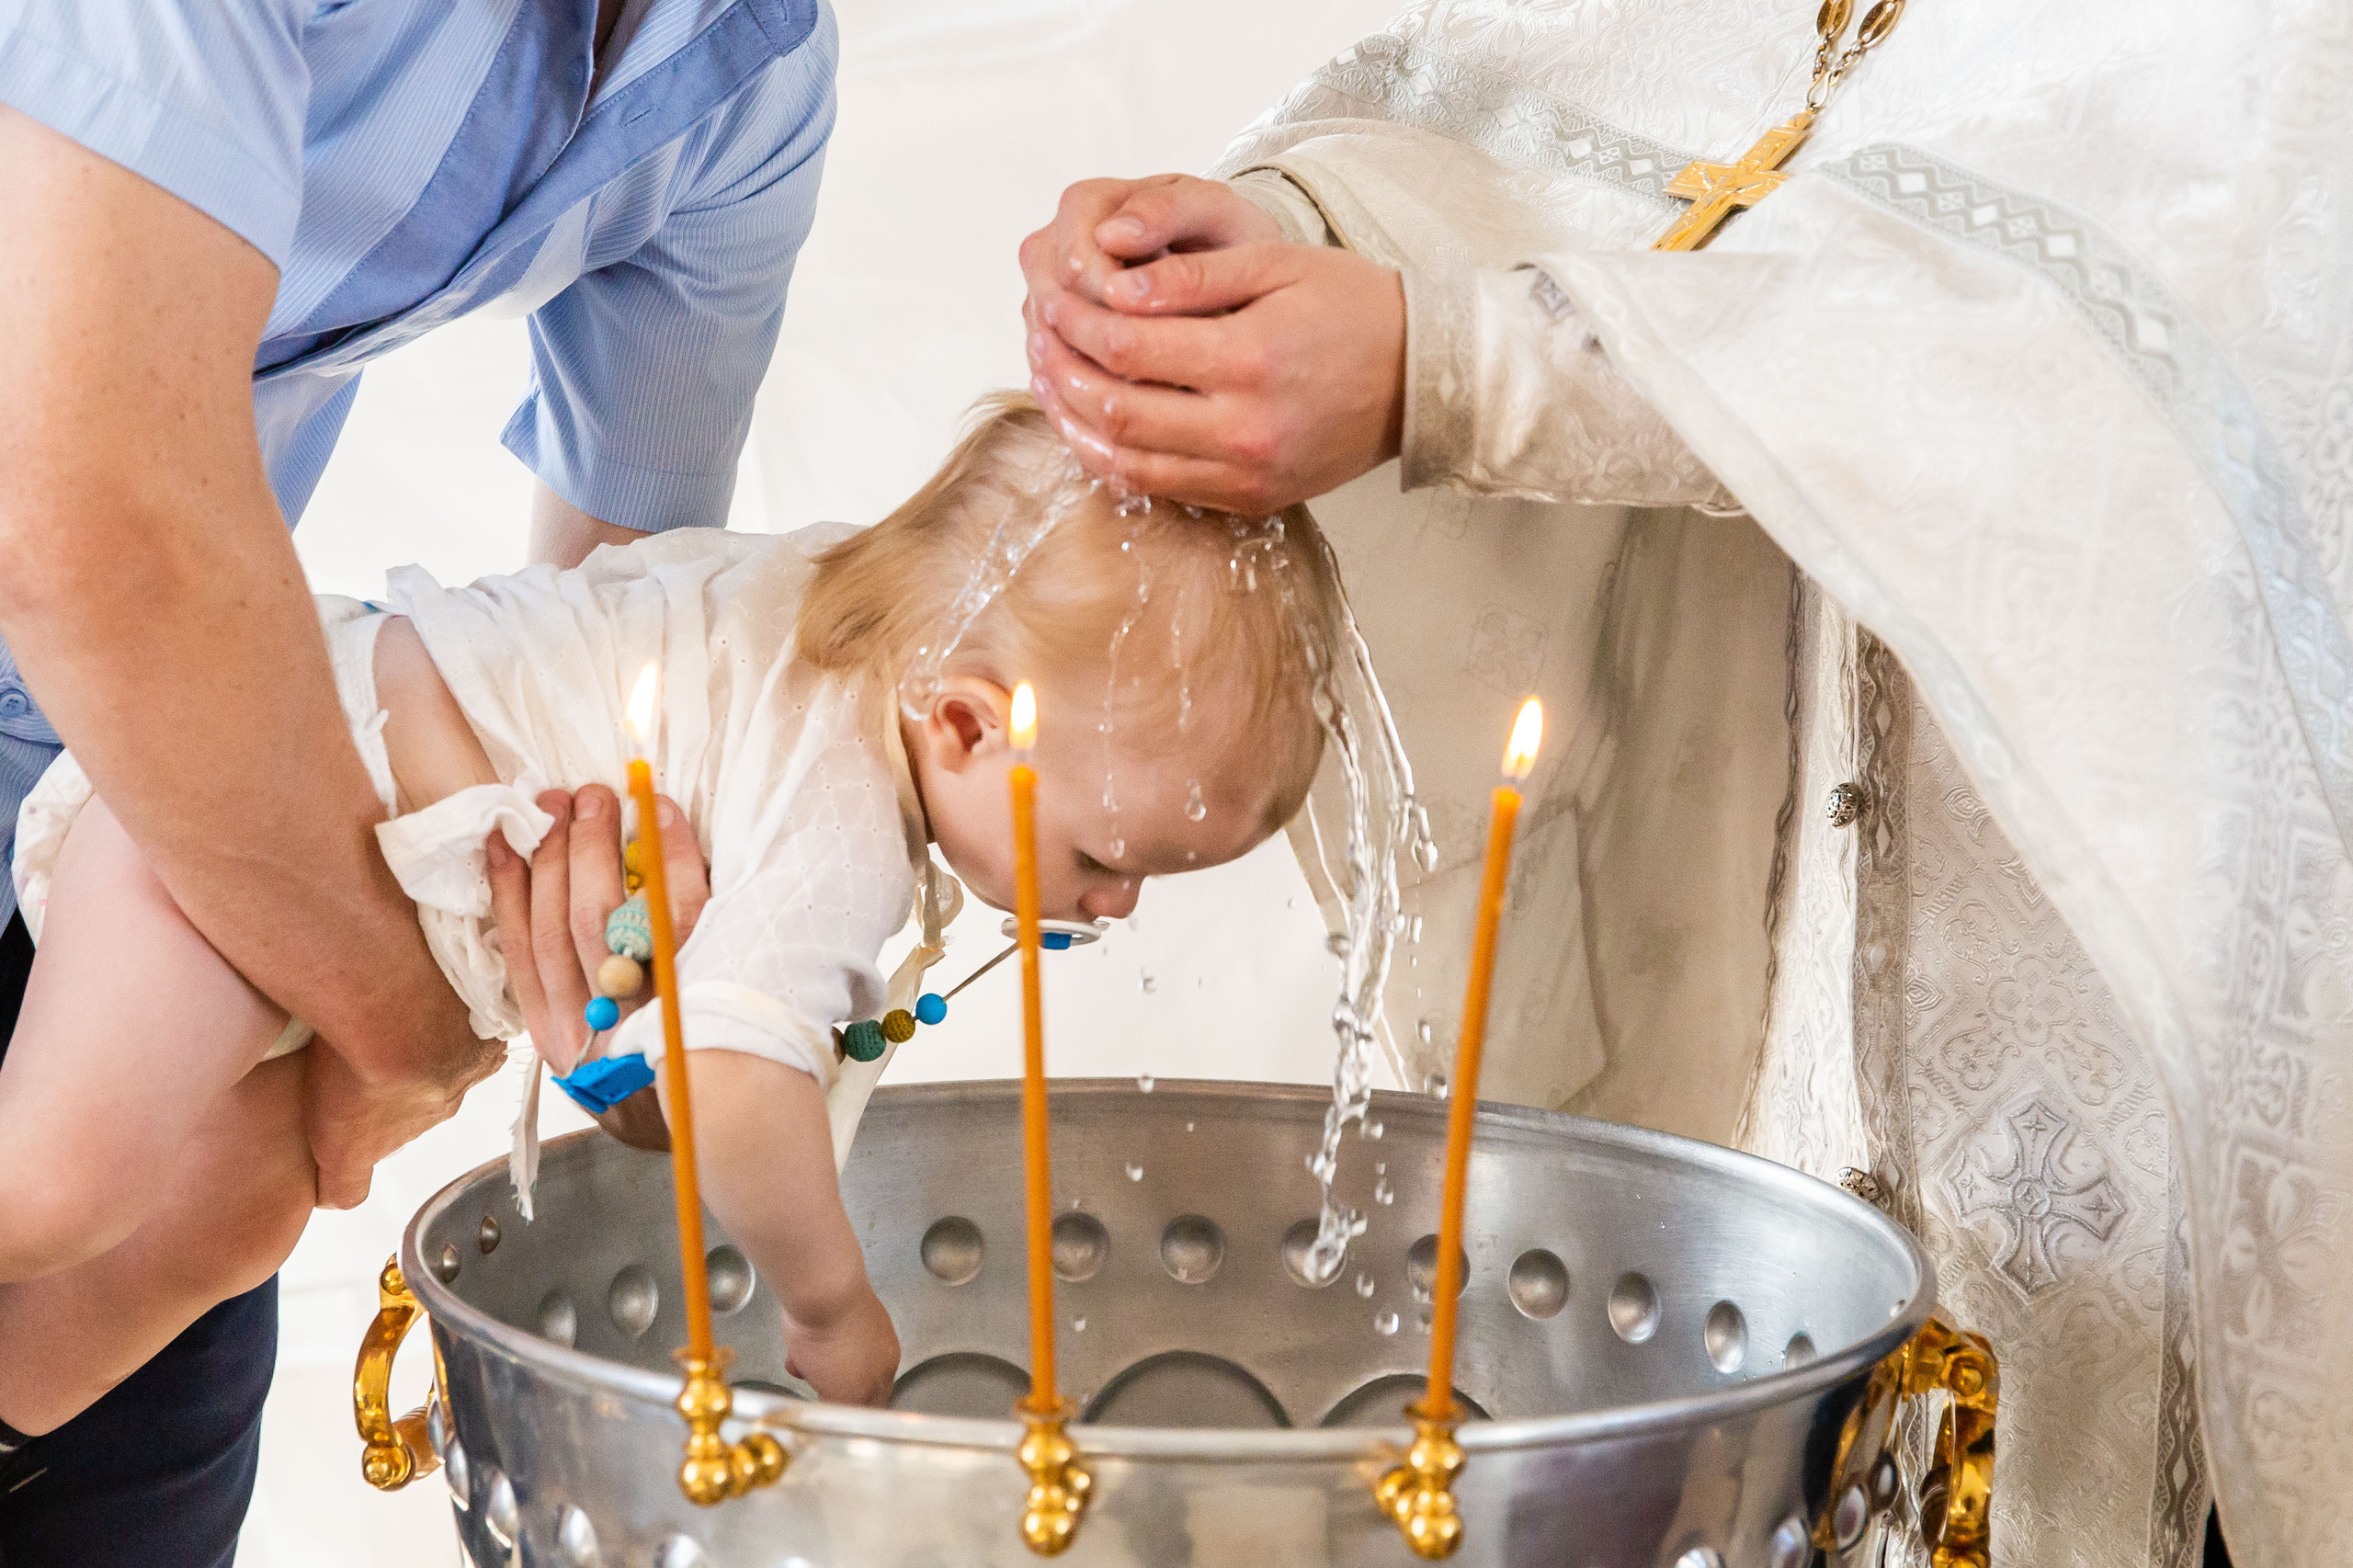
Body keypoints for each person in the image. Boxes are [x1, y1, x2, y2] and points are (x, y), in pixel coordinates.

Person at [1017, 5, 2350, 1565]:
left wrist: (1444, 362)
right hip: (1752, 1054)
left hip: (2124, 1059)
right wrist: (1244, 250)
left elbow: (2136, 349)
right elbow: (1513, 119)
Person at [0, 392, 1345, 1427]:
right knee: (54, 1182)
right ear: (964, 720)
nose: (1115, 906)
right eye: (1111, 855)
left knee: (230, 1220)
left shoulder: (849, 601)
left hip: (328, 882)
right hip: (251, 812)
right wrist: (831, 1309)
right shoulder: (844, 813)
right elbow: (732, 1079)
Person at [0, 0, 837, 1556]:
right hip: (161, 757)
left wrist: (603, 929)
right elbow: (93, 526)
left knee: (157, 1353)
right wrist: (404, 1018)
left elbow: (612, 658)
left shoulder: (747, 71)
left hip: (159, 811)